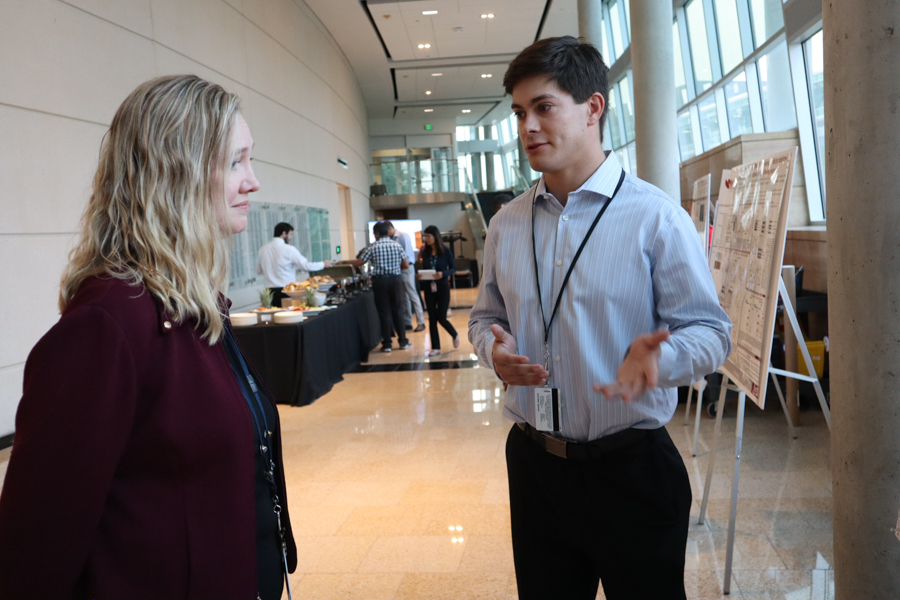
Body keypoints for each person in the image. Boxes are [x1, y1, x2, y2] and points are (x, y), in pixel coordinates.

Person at [0, 75, 296, 600]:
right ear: (174, 173)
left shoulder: (191, 302)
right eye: (236, 162)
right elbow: (35, 545)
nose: (252, 181)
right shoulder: (110, 323)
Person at [468, 36, 731, 600]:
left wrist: (662, 359)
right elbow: (483, 315)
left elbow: (712, 334)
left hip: (632, 469)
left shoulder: (655, 218)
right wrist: (494, 353)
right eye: (519, 113)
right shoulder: (507, 224)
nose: (528, 128)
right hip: (536, 466)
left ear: (593, 108)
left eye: (543, 107)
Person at [341, 221, 411, 353]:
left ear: (377, 233)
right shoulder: (396, 245)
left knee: (384, 312)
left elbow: (359, 262)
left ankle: (387, 344)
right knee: (397, 310)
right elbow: (406, 265)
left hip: (380, 282)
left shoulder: (373, 247)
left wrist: (344, 262)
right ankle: (403, 341)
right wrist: (395, 270)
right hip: (395, 280)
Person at [257, 222, 333, 307]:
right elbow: (306, 266)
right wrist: (323, 264)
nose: (291, 237)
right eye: (290, 234)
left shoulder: (262, 249)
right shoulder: (289, 249)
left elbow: (259, 271)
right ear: (284, 233)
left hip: (270, 293)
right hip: (287, 291)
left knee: (275, 317)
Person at [417, 225, 460, 356]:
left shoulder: (445, 251)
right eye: (425, 236)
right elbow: (425, 268)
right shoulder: (425, 252)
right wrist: (421, 276)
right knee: (432, 318)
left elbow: (453, 268)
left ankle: (454, 334)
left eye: (429, 236)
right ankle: (435, 347)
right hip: (429, 287)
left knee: (441, 317)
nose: (426, 239)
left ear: (436, 237)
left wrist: (443, 274)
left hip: (442, 286)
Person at [386, 221, 425, 332]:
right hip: (398, 269)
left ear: (390, 228)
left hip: (407, 268)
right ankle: (407, 322)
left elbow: (407, 255)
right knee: (404, 296)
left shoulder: (403, 235)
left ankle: (421, 322)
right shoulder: (391, 239)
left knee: (412, 294)